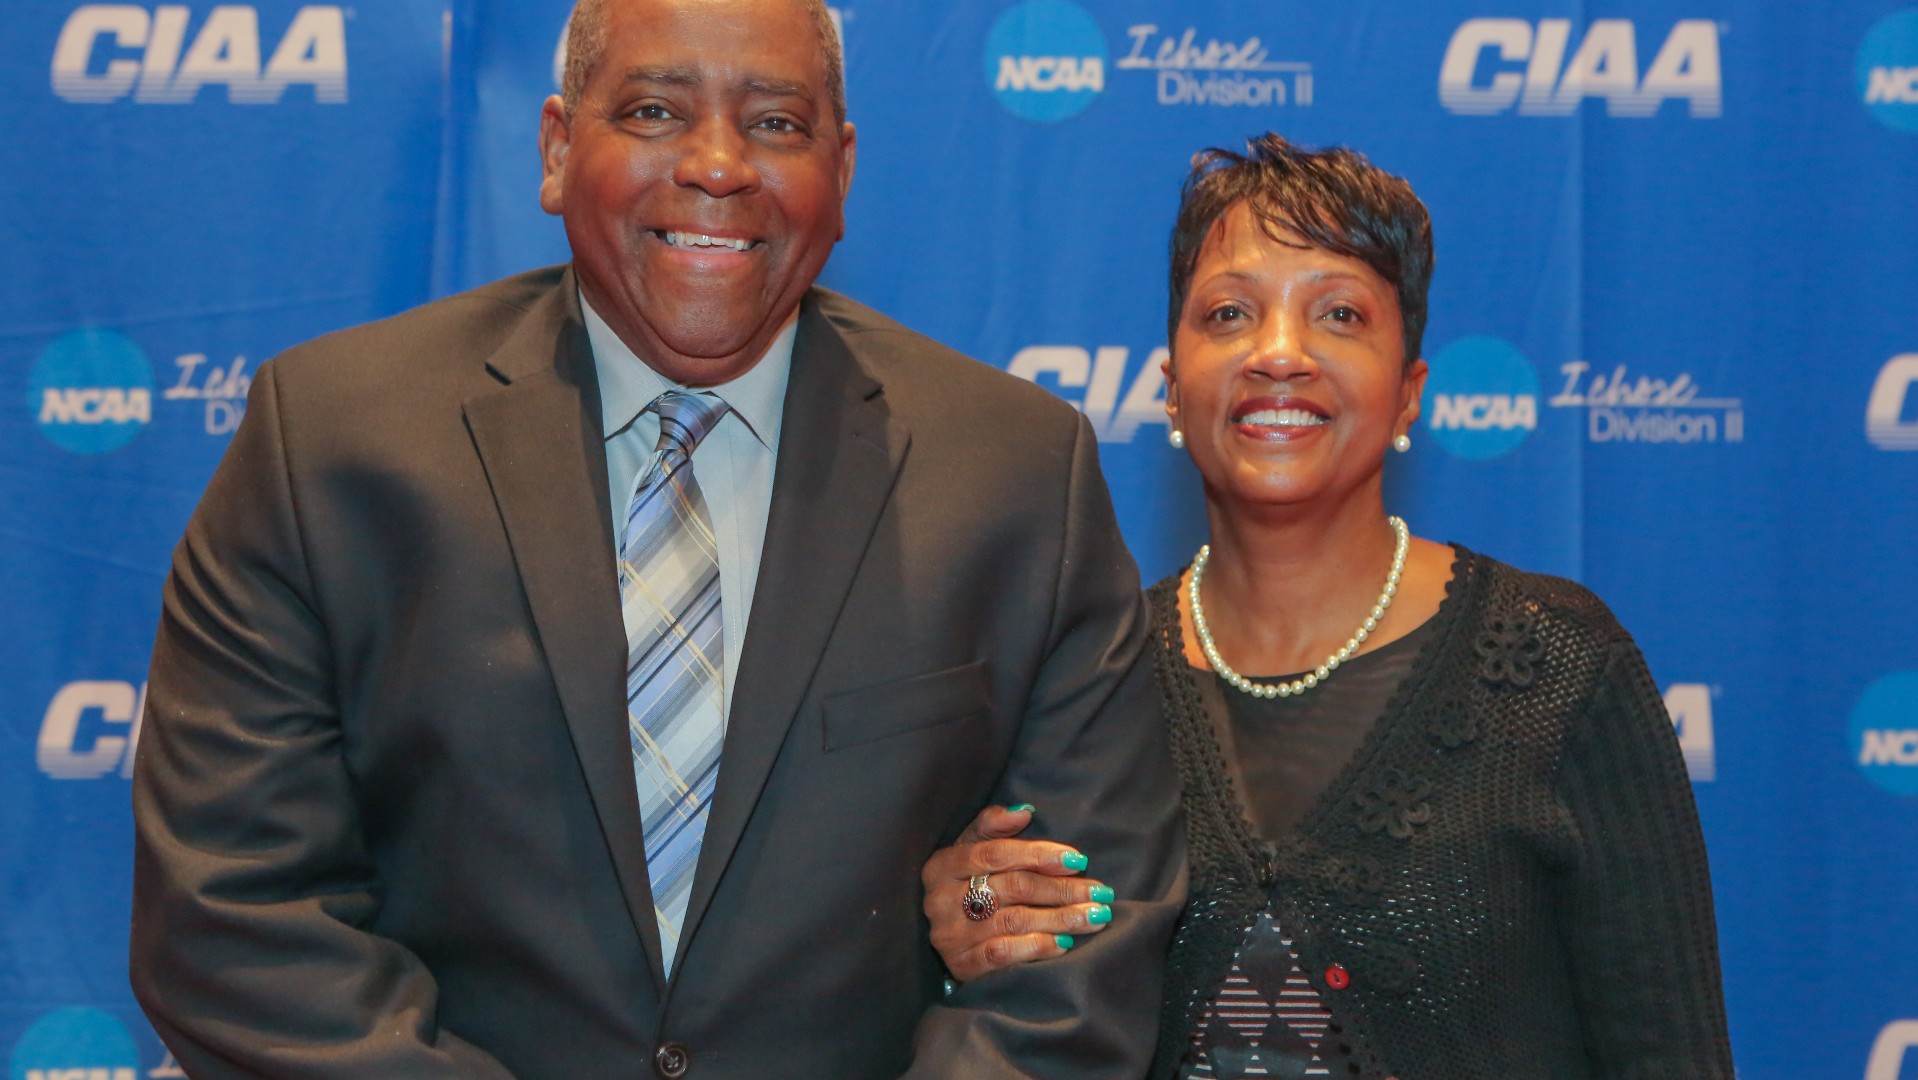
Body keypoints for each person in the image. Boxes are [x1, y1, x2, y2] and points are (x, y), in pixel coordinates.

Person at [127, 0, 1185, 1075]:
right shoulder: (330, 445)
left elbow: (1074, 964)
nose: (718, 165)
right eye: (652, 110)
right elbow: (237, 912)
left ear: (844, 168)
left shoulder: (1016, 476)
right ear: (555, 148)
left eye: (777, 123)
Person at [922, 134, 1734, 1079]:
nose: (1279, 355)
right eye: (1229, 314)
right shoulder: (1086, 675)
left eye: (1340, 314)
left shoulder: (1559, 667)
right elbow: (1014, 987)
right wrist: (958, 921)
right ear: (1171, 390)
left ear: (1408, 394)